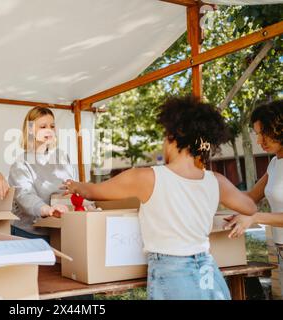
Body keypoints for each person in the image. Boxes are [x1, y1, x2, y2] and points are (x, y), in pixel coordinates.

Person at [63, 96, 257, 300]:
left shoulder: (146, 177)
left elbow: (95, 192)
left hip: (172, 272)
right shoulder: (216, 181)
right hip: (209, 270)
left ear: (174, 136)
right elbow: (250, 208)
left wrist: (76, 186)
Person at [223, 100, 282, 295]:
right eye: (257, 134)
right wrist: (211, 193)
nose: (259, 140)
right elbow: (249, 198)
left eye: (262, 133)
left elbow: (253, 212)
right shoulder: (274, 164)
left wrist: (254, 217)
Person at [8, 107, 76, 241]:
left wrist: (86, 205)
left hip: (60, 230)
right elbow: (25, 197)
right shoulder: (21, 164)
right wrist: (48, 210)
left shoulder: (62, 158)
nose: (49, 130)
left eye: (52, 126)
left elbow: (73, 188)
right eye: (43, 126)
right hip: (29, 234)